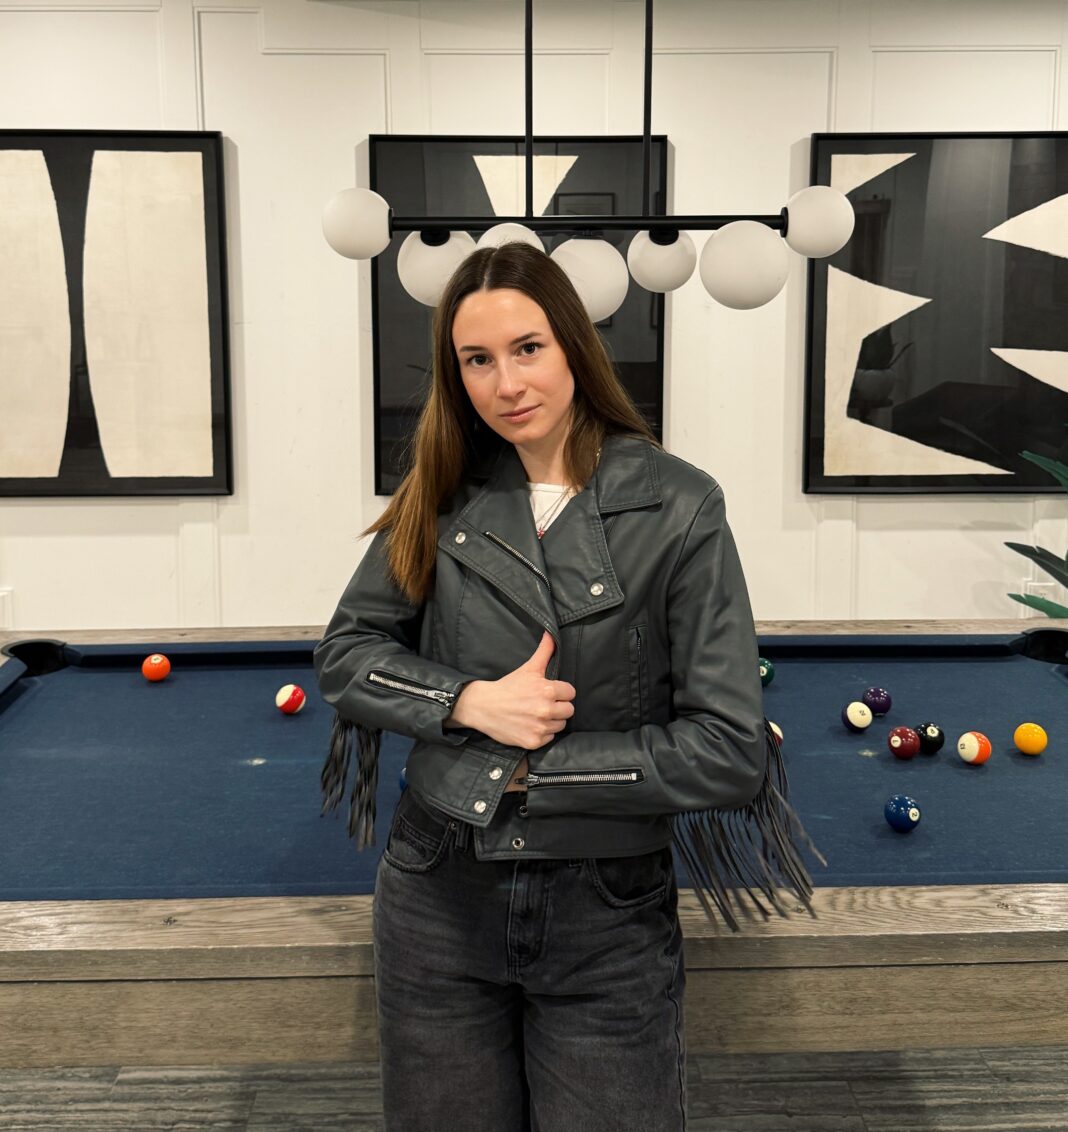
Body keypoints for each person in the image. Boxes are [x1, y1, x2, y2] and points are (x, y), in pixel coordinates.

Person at [313, 241, 815, 1132]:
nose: (506, 382)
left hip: (608, 910)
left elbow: (731, 751)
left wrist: (525, 775)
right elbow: (349, 652)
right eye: (478, 359)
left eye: (528, 348)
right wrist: (468, 703)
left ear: (575, 346)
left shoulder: (680, 505)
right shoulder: (440, 489)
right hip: (437, 894)